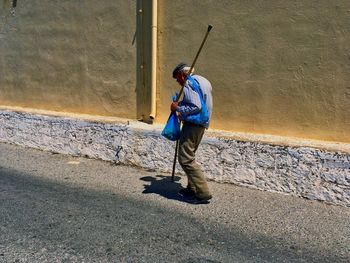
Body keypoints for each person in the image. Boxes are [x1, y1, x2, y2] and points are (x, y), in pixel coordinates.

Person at [170, 63, 213, 204]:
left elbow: (196, 106)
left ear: (182, 74)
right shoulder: (202, 80)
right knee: (190, 156)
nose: (178, 82)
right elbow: (200, 101)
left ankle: (203, 193)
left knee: (186, 159)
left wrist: (178, 107)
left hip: (193, 125)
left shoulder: (189, 82)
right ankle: (191, 188)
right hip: (201, 124)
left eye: (177, 78)